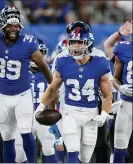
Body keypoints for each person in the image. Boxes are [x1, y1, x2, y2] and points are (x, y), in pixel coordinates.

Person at [0, 6, 53, 163]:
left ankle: (32, 162)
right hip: (3, 97)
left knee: (25, 131)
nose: (13, 29)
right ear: (2, 25)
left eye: (16, 25)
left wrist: (52, 87)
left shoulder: (28, 42)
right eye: (9, 25)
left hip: (23, 95)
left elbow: (43, 65)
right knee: (7, 138)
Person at [35, 27, 113, 163]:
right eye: (73, 42)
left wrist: (104, 114)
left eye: (80, 42)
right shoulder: (63, 61)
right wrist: (41, 106)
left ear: (89, 43)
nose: (75, 46)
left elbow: (107, 95)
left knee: (84, 158)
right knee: (72, 150)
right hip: (70, 111)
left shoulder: (100, 63)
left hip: (91, 114)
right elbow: (53, 88)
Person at [15, 38, 58, 163]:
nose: (37, 57)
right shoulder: (19, 70)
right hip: (24, 115)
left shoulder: (51, 70)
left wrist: (53, 113)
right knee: (20, 152)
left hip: (43, 114)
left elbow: (56, 94)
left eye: (41, 53)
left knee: (49, 147)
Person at [104, 20, 132, 163]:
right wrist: (121, 87)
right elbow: (107, 46)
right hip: (124, 102)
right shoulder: (122, 49)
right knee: (119, 146)